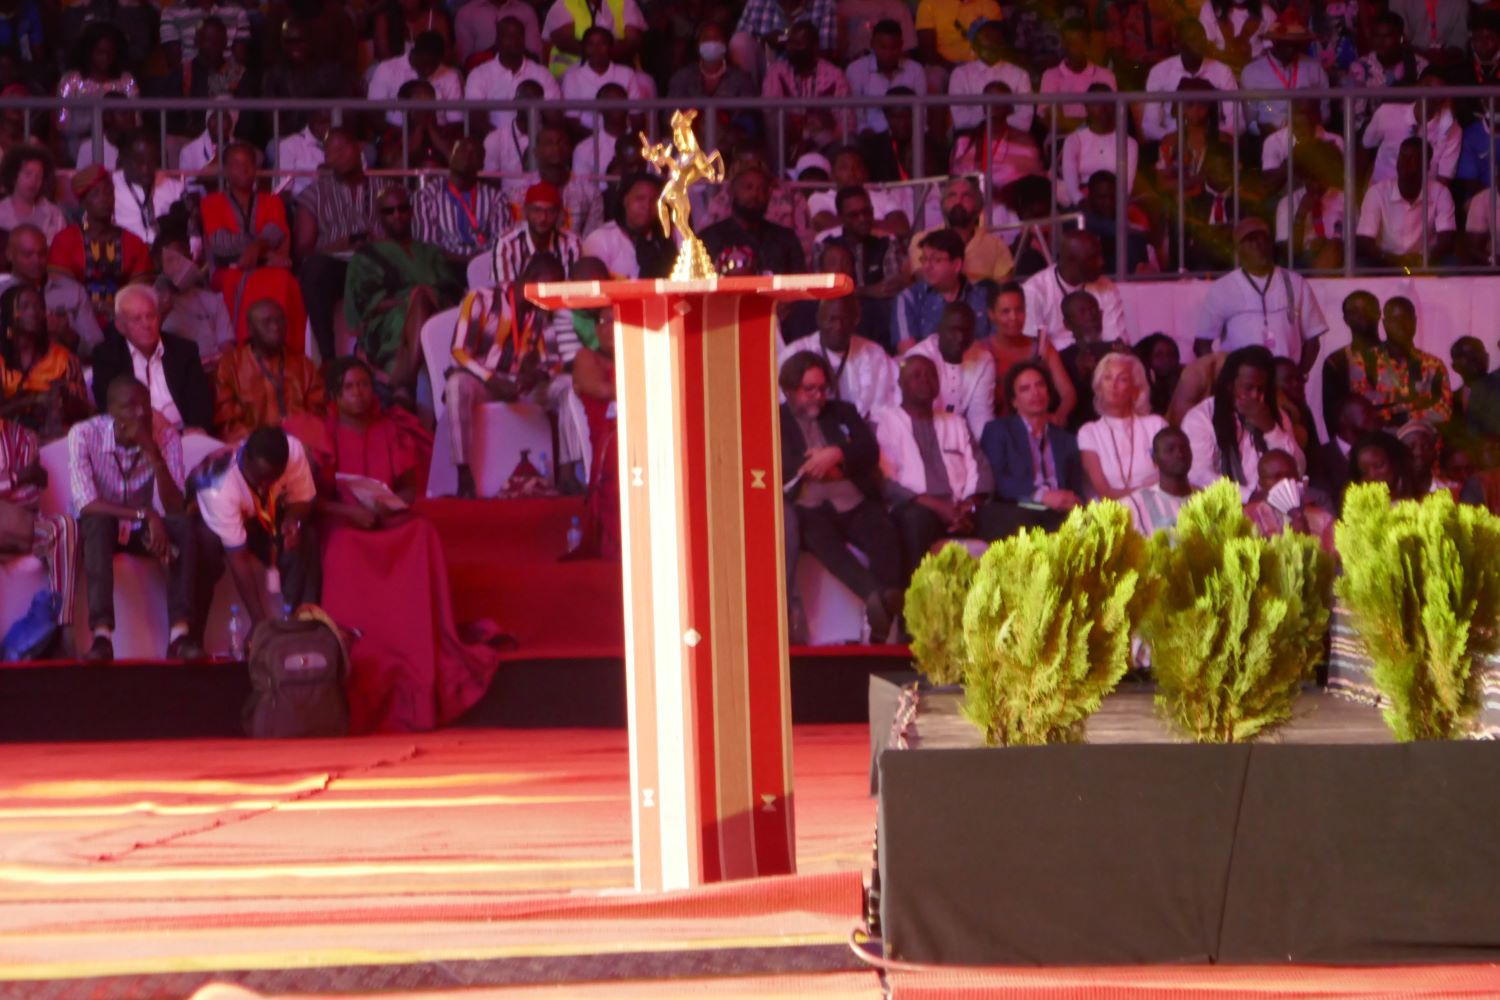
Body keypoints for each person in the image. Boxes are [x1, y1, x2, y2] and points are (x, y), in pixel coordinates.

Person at [313, 356, 502, 733]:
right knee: (341, 549)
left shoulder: (390, 428)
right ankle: (360, 658)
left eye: (364, 385)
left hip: (386, 518)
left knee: (422, 534)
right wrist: (352, 515)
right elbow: (313, 498)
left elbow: (407, 486)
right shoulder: (325, 434)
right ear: (336, 394)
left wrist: (388, 504)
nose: (358, 393)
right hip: (345, 525)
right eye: (349, 387)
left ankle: (418, 646)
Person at [68, 376, 208, 662]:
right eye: (130, 407)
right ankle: (102, 638)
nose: (141, 413)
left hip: (142, 529)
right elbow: (87, 505)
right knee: (96, 525)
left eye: (144, 404)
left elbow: (175, 506)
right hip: (104, 525)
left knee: (183, 527)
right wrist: (146, 513)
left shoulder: (165, 434)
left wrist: (152, 454)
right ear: (111, 411)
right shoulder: (84, 434)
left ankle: (179, 636)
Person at [780, 350, 903, 640]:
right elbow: (778, 461)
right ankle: (874, 596)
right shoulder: (776, 418)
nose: (818, 396)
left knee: (883, 530)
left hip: (852, 499)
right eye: (809, 389)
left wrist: (837, 454)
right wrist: (813, 464)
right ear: (789, 389)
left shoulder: (842, 412)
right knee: (819, 535)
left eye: (823, 388)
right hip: (809, 503)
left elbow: (868, 451)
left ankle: (888, 604)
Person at [444, 253, 569, 498]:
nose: (553, 295)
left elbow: (555, 360)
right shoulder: (481, 298)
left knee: (568, 385)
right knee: (456, 385)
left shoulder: (543, 310)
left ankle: (567, 472)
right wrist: (490, 379)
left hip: (521, 383)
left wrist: (539, 374)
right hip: (485, 381)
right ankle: (464, 474)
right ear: (531, 279)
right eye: (550, 287)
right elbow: (458, 352)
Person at [193, 425, 320, 627]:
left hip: (262, 517)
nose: (263, 487)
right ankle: (191, 637)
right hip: (214, 525)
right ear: (244, 458)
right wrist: (260, 623)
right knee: (203, 547)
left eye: (272, 479)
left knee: (306, 537)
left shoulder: (292, 451)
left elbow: (304, 499)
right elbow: (239, 559)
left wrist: (293, 520)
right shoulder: (217, 485)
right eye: (258, 479)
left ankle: (302, 622)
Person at [345, 187, 463, 399]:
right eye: (389, 211)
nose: (397, 215)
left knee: (427, 303)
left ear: (412, 211)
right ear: (379, 217)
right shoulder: (367, 254)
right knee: (418, 298)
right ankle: (408, 384)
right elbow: (366, 304)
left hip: (436, 313)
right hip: (389, 321)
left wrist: (427, 296)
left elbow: (452, 292)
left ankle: (404, 384)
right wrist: (413, 298)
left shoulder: (431, 252)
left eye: (402, 208)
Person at [874, 354, 983, 580]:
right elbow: (885, 481)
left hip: (961, 508)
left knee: (1011, 520)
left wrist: (968, 506)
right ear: (900, 384)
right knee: (915, 521)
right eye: (916, 375)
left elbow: (979, 468)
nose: (925, 379)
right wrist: (935, 505)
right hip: (915, 507)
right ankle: (912, 607)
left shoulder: (955, 422)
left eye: (931, 374)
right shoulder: (884, 422)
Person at [293, 127, 394, 363]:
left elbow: (405, 235)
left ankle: (388, 362)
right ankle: (328, 359)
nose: (338, 156)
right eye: (330, 153)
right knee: (314, 270)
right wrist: (341, 244)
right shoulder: (314, 194)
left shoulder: (388, 187)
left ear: (358, 148)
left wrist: (373, 240)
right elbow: (303, 251)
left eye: (343, 148)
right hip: (337, 265)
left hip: (379, 262)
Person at [201, 142, 307, 352]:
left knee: (285, 281)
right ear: (226, 170)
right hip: (228, 271)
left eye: (248, 163)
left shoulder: (272, 201)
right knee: (237, 281)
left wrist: (255, 248)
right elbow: (222, 244)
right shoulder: (211, 202)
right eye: (236, 164)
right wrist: (266, 252)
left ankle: (288, 351)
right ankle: (245, 352)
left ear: (256, 168)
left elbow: (276, 232)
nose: (243, 168)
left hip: (269, 271)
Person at [1194, 218, 1327, 373]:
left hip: (1283, 379)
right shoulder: (1222, 288)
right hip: (1242, 381)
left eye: (1262, 238)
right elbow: (1201, 343)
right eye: (1250, 240)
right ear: (1238, 249)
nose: (1258, 244)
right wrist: (1224, 377)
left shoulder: (1296, 283)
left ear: (1271, 243)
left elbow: (1313, 339)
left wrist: (1299, 375)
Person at [1181, 345, 1304, 499]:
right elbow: (1199, 475)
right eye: (1248, 388)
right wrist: (1248, 496)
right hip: (1224, 506)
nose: (1256, 395)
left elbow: (1298, 469)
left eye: (1261, 389)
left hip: (1278, 502)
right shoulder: (1200, 418)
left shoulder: (1276, 415)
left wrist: (1270, 430)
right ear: (1229, 386)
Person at [978, 359, 1084, 537]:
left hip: (1061, 510)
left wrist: (1074, 499)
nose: (1035, 393)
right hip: (1020, 508)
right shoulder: (998, 431)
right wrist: (1041, 495)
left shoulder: (1066, 439)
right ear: (1014, 401)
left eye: (1040, 385)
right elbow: (997, 480)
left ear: (1049, 393)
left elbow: (1076, 485)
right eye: (1025, 389)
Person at [91, 285, 213, 433]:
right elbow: (108, 406)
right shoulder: (107, 356)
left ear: (159, 318)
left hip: (186, 435)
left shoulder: (184, 350)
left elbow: (200, 401)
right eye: (137, 319)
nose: (146, 324)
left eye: (150, 316)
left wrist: (197, 428)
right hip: (137, 436)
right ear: (120, 326)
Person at [47, 165, 153, 332]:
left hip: (123, 320)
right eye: (96, 194)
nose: (105, 199)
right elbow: (62, 290)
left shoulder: (133, 242)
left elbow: (140, 290)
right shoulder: (65, 240)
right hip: (76, 322)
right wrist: (94, 308)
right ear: (83, 202)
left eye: (109, 192)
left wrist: (115, 309)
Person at [0, 414, 77, 643]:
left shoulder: (22, 437)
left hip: (19, 528)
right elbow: (23, 483)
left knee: (64, 527)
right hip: (13, 525)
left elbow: (31, 493)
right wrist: (15, 479)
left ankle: (63, 631)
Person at [213, 299, 326, 444]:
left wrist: (298, 440)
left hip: (300, 446)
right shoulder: (229, 366)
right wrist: (260, 445)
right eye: (267, 322)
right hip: (251, 450)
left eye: (280, 320)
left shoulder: (304, 365)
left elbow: (318, 413)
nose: (275, 327)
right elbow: (227, 423)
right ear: (250, 328)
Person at [780, 296, 897, 418]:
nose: (838, 326)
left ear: (856, 320)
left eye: (844, 319)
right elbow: (784, 406)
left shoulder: (874, 354)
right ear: (819, 319)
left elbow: (888, 407)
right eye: (831, 319)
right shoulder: (794, 353)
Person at [0, 224, 102, 362]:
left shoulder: (72, 291)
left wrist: (68, 334)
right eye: (28, 254)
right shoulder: (2, 293)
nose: (36, 261)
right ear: (9, 255)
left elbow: (98, 348)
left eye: (42, 253)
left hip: (67, 370)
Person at [1348, 295, 1453, 427]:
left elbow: (1443, 413)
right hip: (1380, 443)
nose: (1401, 325)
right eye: (1395, 320)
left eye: (1406, 319)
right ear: (1385, 324)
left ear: (1415, 322)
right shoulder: (1363, 362)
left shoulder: (1433, 365)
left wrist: (1394, 411)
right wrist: (1415, 403)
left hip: (1421, 443)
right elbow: (1363, 411)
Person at [0, 283, 89, 437]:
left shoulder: (63, 359)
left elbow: (83, 414)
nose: (34, 312)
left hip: (53, 437)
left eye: (39, 306)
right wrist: (32, 400)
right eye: (25, 306)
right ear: (9, 313)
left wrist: (68, 396)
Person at [1355, 136, 1456, 269]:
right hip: (1386, 260)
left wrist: (1424, 259)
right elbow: (1365, 239)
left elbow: (1446, 238)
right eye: (1402, 156)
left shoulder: (1440, 193)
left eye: (1412, 158)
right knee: (1361, 265)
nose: (1405, 162)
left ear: (1426, 165)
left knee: (1453, 263)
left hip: (1424, 262)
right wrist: (1392, 260)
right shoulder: (1377, 192)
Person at [1077, 351, 1168, 499]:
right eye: (1108, 378)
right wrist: (1148, 488)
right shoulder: (1089, 432)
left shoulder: (1156, 425)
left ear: (1135, 389)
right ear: (1099, 387)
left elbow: (1171, 480)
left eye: (1122, 379)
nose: (1113, 385)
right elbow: (1105, 494)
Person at [901, 303, 995, 442]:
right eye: (953, 330)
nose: (960, 337)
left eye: (966, 331)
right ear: (939, 329)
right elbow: (915, 419)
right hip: (920, 439)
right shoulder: (918, 359)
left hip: (962, 440)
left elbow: (980, 419)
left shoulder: (984, 359)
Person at [987, 281, 1076, 425]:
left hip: (1037, 431)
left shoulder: (1042, 347)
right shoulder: (980, 350)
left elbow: (1068, 393)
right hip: (995, 433)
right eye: (1005, 311)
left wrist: (1058, 416)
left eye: (1019, 310)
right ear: (991, 314)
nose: (1013, 317)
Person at [1138, 19, 1241, 143]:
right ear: (1176, 44)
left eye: (1202, 37)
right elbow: (1150, 127)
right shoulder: (1159, 72)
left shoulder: (1223, 71)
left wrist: (1212, 138)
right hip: (1172, 141)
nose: (1201, 43)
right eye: (1193, 39)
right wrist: (1177, 139)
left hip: (1214, 142)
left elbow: (1237, 121)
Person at [1022, 230, 1127, 350]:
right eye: (1092, 258)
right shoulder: (1034, 291)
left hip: (1100, 362)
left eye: (1100, 255)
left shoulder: (1106, 286)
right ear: (1069, 261)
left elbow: (1117, 343)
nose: (1101, 263)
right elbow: (1035, 350)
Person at [701, 161, 807, 278]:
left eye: (761, 189)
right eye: (748, 187)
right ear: (731, 191)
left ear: (769, 195)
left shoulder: (785, 239)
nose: (755, 194)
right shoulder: (709, 238)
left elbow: (799, 284)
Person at [570, 309, 619, 558]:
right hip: (610, 438)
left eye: (618, 319)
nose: (610, 326)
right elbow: (600, 389)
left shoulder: (639, 354)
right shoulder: (586, 357)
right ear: (596, 329)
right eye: (605, 321)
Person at [413, 137, 508, 262]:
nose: (467, 157)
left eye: (474, 153)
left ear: (482, 163)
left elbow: (501, 242)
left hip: (483, 266)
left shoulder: (496, 198)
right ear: (451, 156)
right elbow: (428, 247)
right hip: (444, 267)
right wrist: (463, 259)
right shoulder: (427, 196)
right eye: (462, 151)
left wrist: (478, 261)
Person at [906, 176, 1014, 285]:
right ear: (943, 204)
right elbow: (927, 285)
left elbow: (1004, 292)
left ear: (978, 205)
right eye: (952, 195)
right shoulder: (922, 240)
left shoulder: (996, 245)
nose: (958, 201)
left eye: (966, 196)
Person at [1361, 69, 1460, 185]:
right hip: (1382, 192)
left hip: (1423, 197)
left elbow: (1444, 177)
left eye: (1438, 90)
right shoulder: (1386, 112)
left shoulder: (1452, 130)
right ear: (1417, 86)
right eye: (1427, 86)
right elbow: (1365, 146)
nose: (1430, 94)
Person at [1238, 12, 1329, 138]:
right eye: (1285, 42)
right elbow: (1250, 120)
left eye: (1295, 43)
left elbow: (1325, 111)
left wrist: (1308, 128)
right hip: (1267, 138)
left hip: (1309, 139)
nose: (1291, 48)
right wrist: (1267, 129)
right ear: (1274, 42)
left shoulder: (1314, 68)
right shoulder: (1251, 72)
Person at [464, 16, 560, 135]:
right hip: (495, 143)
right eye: (508, 36)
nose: (514, 41)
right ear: (497, 41)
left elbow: (555, 118)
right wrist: (503, 140)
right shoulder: (479, 74)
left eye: (519, 36)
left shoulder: (542, 73)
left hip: (537, 143)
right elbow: (476, 120)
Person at [55, 22, 138, 159]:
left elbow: (136, 122)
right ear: (88, 52)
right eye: (100, 52)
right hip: (78, 149)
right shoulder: (71, 80)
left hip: (120, 150)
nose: (105, 57)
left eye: (110, 52)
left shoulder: (126, 81)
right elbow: (63, 124)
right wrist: (97, 123)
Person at [948, 83, 1045, 192]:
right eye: (989, 98)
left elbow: (1036, 184)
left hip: (1009, 204)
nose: (994, 103)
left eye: (999, 98)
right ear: (983, 105)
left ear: (1010, 106)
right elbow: (953, 181)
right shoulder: (963, 142)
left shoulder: (1025, 141)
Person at [1345, 10, 1427, 134]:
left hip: (1412, 133)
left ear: (1401, 38)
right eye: (1376, 36)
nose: (1380, 42)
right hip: (1373, 134)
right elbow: (1356, 117)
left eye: (1387, 36)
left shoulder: (1420, 65)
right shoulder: (1360, 67)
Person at [947, 18, 1034, 133]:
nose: (992, 48)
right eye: (986, 46)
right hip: (971, 138)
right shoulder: (960, 74)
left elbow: (1025, 119)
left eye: (996, 45)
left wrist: (994, 124)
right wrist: (997, 120)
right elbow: (960, 119)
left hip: (1011, 139)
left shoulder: (1020, 75)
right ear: (974, 47)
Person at [581, 173, 673, 280]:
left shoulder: (670, 236)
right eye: (640, 198)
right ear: (625, 200)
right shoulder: (601, 239)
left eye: (654, 201)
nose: (647, 206)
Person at [491, 181, 584, 285]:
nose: (543, 218)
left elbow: (574, 289)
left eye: (550, 211)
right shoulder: (506, 243)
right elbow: (506, 294)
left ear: (558, 213)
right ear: (525, 211)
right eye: (536, 210)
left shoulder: (572, 242)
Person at [1242, 448, 1335, 549]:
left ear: (1297, 478)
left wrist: (1308, 539)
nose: (1284, 481)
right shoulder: (1247, 517)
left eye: (1289, 475)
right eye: (1276, 476)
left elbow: (1333, 559)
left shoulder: (1323, 518)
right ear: (1261, 483)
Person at [847, 19, 927, 136]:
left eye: (894, 48)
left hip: (909, 135)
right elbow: (856, 115)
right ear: (872, 44)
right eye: (883, 48)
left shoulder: (916, 70)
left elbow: (921, 113)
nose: (889, 53)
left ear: (901, 45)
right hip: (870, 136)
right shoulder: (856, 69)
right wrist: (865, 132)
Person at [367, 30, 463, 128]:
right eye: (424, 63)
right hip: (394, 134)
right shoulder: (387, 69)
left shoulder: (451, 75)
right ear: (414, 53)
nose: (428, 70)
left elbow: (455, 120)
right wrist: (398, 137)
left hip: (438, 134)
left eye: (434, 65)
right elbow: (374, 113)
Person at [1060, 88, 1137, 207]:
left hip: (1114, 199)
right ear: (1086, 107)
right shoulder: (1073, 140)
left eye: (1108, 103)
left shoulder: (1129, 143)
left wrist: (1115, 203)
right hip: (1083, 197)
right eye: (1096, 103)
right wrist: (1081, 201)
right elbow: (1071, 183)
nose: (1103, 108)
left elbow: (1127, 186)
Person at [112, 132, 188, 248]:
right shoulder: (109, 188)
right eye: (139, 162)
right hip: (126, 255)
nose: (145, 169)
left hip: (164, 256)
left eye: (151, 161)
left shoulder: (175, 188)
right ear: (125, 159)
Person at [1308, 394, 1379, 513]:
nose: (1375, 417)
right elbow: (1325, 500)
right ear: (1344, 419)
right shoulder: (1320, 457)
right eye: (1366, 412)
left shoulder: (1379, 450)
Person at [1122, 426, 1197, 536]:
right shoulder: (1134, 505)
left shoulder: (1206, 497)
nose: (1179, 454)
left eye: (1184, 448)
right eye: (1170, 450)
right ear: (1154, 458)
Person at [544, 0, 645, 75]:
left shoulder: (624, 2)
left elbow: (633, 40)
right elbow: (565, 42)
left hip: (622, 70)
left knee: (644, 82)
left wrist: (603, 54)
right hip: (572, 72)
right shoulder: (563, 4)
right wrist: (606, 52)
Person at [0, 143, 63, 241]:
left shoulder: (54, 214)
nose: (34, 181)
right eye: (28, 174)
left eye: (39, 176)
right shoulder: (1, 213)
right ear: (14, 175)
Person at [1348, 430, 1417, 499]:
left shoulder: (1421, 499)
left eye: (1379, 465)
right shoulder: (1357, 504)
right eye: (1364, 471)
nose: (1372, 475)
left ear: (1396, 461)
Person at [1134, 333, 1183, 417]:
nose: (1166, 359)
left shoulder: (1183, 381)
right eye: (1159, 355)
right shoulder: (1139, 392)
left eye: (1171, 354)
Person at [1396, 419, 1440, 494]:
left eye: (1426, 447)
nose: (1419, 453)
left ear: (1434, 452)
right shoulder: (1391, 490)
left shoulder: (1447, 487)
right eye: (1410, 447)